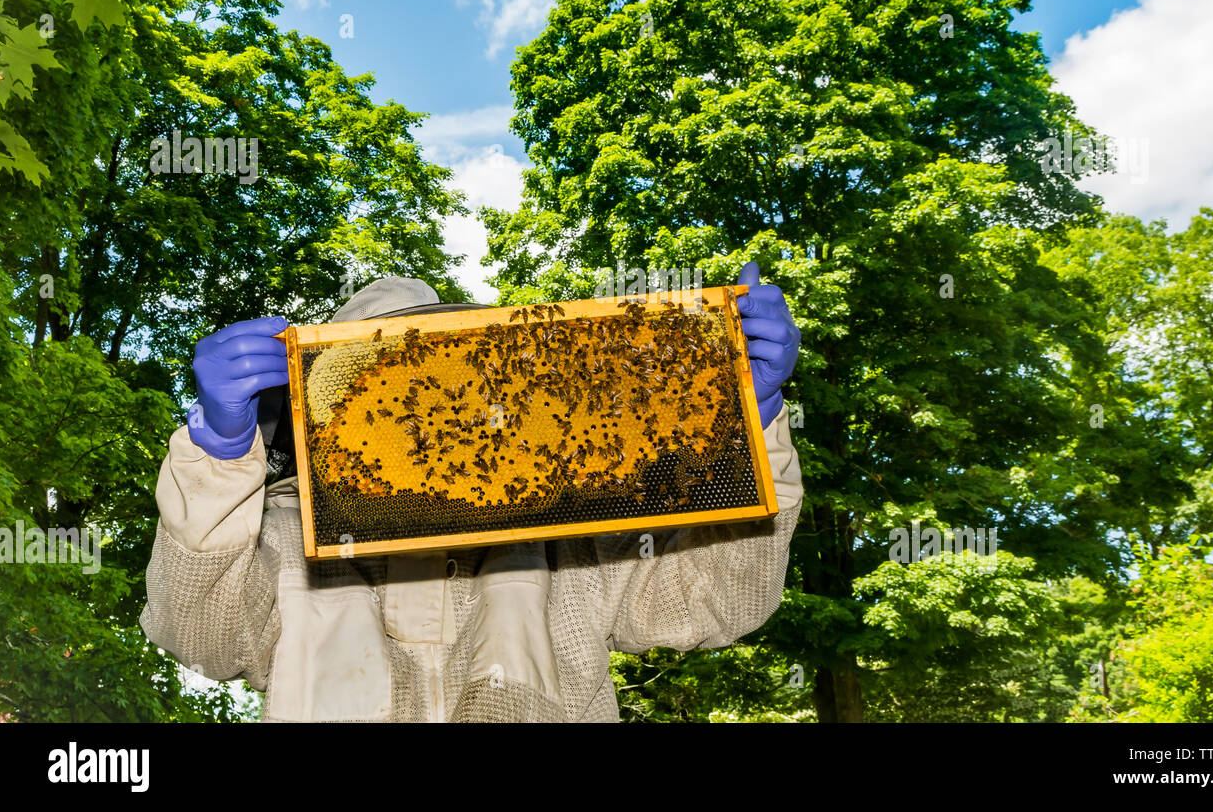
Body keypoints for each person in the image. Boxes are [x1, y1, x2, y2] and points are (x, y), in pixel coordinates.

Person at [140, 262, 803, 721]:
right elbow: (201, 634)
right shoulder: (285, 537)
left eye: (435, 371)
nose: (417, 403)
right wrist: (217, 456)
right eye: (383, 385)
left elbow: (716, 599)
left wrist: (750, 418)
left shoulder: (562, 528)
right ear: (333, 412)